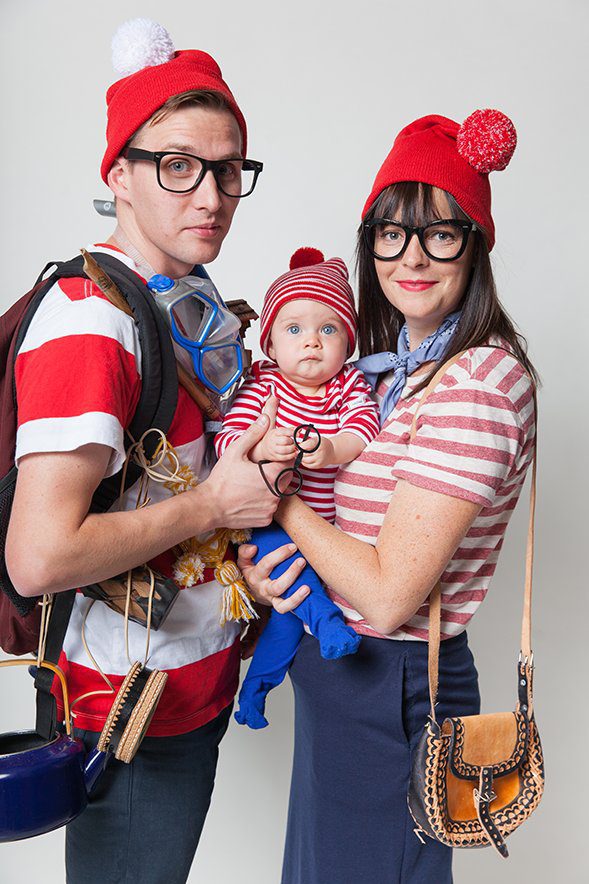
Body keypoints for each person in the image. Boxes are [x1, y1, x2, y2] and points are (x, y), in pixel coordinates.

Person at [5, 19, 305, 884]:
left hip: (188, 686)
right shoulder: (92, 321)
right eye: (178, 165)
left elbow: (168, 492)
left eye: (227, 170)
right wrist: (213, 505)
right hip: (127, 715)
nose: (210, 196)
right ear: (119, 176)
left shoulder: (185, 300)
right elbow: (38, 557)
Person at [237, 109, 537, 883]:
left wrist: (273, 500)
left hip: (395, 686)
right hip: (346, 681)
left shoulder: (477, 382)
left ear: (475, 243)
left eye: (440, 233)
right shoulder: (391, 370)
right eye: (391, 233)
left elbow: (387, 591)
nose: (412, 256)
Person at [214, 248, 380, 727]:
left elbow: (364, 428)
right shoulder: (262, 385)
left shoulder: (347, 385)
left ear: (348, 342)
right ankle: (329, 623)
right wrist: (263, 446)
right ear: (269, 342)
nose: (311, 342)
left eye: (328, 329)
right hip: (268, 519)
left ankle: (254, 693)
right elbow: (227, 440)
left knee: (287, 616)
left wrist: (328, 450)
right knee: (293, 584)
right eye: (294, 330)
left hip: (326, 529)